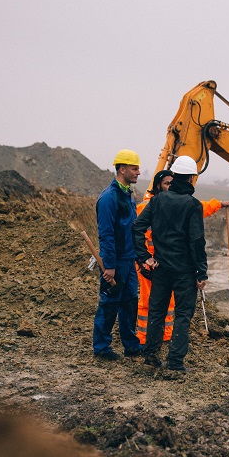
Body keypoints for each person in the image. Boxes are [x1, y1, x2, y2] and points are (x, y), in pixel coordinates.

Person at [135, 169, 229, 344]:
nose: (169, 186)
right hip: (149, 264)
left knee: (167, 304)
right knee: (148, 304)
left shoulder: (170, 203)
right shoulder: (147, 206)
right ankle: (144, 338)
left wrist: (219, 204)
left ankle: (165, 336)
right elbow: (136, 232)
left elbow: (197, 207)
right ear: (158, 185)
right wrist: (143, 259)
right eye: (166, 183)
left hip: (162, 263)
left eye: (170, 183)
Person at [133, 155, 207, 377]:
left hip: (161, 268)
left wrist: (145, 257)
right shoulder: (193, 205)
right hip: (184, 272)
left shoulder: (157, 201)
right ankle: (175, 364)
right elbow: (196, 241)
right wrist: (201, 271)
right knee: (183, 316)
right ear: (192, 178)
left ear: (173, 175)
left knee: (157, 312)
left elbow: (137, 227)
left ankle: (151, 359)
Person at [92, 149, 142, 361]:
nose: (138, 172)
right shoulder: (109, 198)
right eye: (134, 168)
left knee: (130, 302)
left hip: (129, 261)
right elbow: (106, 235)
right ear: (122, 169)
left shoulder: (127, 195)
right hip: (116, 262)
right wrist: (109, 266)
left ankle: (131, 345)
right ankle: (102, 348)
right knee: (109, 303)